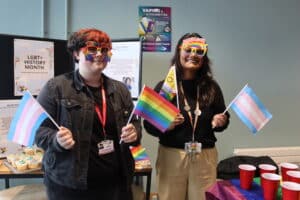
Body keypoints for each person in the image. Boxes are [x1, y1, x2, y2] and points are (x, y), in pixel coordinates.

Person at [35, 28, 142, 200]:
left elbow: (135, 123)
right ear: (77, 53)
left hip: (116, 184)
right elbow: (38, 132)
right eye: (92, 49)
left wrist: (134, 133)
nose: (99, 54)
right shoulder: (56, 88)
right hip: (70, 186)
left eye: (104, 50)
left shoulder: (120, 90)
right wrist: (57, 140)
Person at [143, 33, 230, 200]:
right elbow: (148, 124)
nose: (193, 55)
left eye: (199, 51)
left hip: (204, 157)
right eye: (188, 50)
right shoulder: (166, 87)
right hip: (172, 156)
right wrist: (164, 125)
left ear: (204, 56)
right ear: (179, 52)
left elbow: (224, 116)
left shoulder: (211, 87)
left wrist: (221, 121)